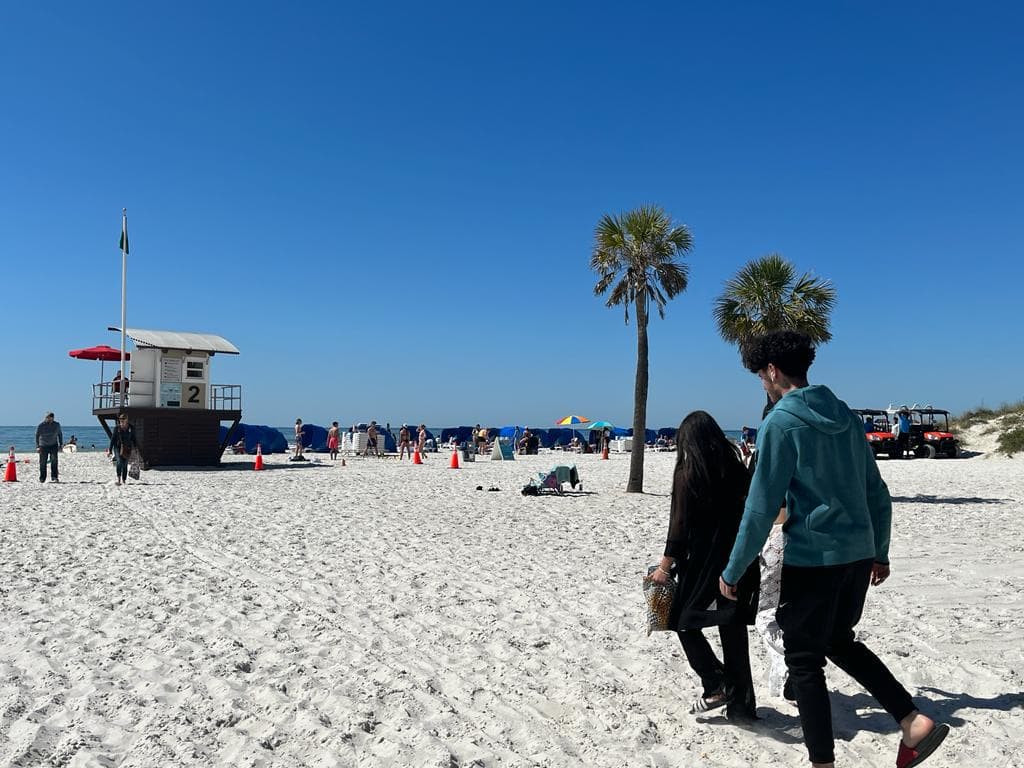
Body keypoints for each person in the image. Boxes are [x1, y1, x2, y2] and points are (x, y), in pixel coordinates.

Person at [720, 330, 947, 768]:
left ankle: (822, 762)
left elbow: (760, 506)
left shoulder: (780, 423)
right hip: (858, 553)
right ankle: (911, 720)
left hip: (815, 558)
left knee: (803, 658)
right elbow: (876, 493)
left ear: (771, 370)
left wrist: (733, 570)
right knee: (838, 641)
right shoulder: (844, 414)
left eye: (760, 377)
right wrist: (879, 552)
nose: (762, 385)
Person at [649, 410, 759, 721]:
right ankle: (742, 706)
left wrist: (664, 567)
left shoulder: (688, 473)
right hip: (739, 558)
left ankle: (715, 683)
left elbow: (679, 528)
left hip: (702, 562)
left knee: (682, 620)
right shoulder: (737, 470)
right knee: (732, 628)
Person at [107, 412, 137, 486]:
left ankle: (124, 480)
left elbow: (134, 439)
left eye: (123, 419)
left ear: (127, 420)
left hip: (127, 449)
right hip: (117, 448)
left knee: (125, 464)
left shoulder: (131, 428)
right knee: (119, 462)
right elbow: (113, 439)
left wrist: (135, 448)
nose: (121, 421)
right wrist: (110, 450)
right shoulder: (117, 428)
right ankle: (119, 479)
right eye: (120, 419)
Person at [35, 412, 63, 483]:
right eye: (48, 418)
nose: (50, 420)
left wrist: (61, 444)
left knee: (54, 461)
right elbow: (37, 436)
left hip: (53, 445)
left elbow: (60, 434)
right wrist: (37, 446)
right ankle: (42, 478)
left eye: (51, 418)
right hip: (43, 446)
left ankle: (54, 477)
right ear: (46, 418)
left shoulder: (57, 425)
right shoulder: (41, 425)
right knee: (42, 463)